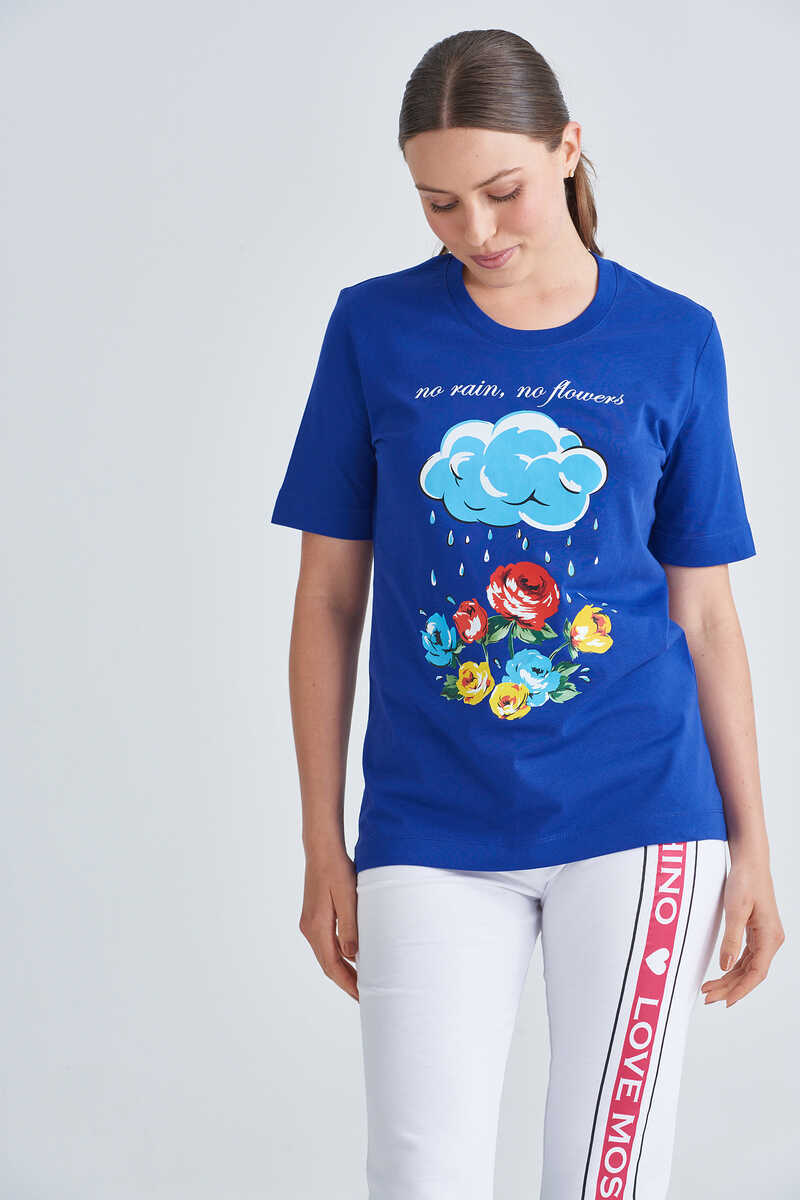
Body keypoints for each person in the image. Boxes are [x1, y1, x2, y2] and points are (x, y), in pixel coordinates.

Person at [269, 28, 785, 1200]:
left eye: (500, 191)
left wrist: (754, 847)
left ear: (566, 148)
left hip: (641, 815)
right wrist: (320, 842)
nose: (475, 232)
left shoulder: (671, 337)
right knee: (419, 1173)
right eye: (437, 204)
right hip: (427, 822)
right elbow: (328, 598)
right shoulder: (373, 328)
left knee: (604, 1179)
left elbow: (705, 616)